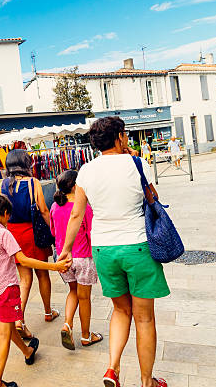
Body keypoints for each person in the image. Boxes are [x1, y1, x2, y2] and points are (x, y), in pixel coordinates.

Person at [57, 116, 169, 387]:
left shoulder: (86, 170)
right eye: (125, 135)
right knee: (144, 318)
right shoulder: (137, 163)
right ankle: (146, 382)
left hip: (103, 249)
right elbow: (152, 199)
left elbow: (76, 215)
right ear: (119, 137)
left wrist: (66, 249)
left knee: (120, 311)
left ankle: (112, 369)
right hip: (137, 246)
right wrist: (134, 160)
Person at [0, 193, 71, 387]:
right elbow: (23, 259)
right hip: (6, 289)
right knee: (4, 333)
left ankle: (28, 352)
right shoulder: (3, 233)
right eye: (8, 216)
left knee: (9, 325)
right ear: (5, 213)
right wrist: (54, 267)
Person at [0, 149, 59, 340]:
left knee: (24, 280)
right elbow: (43, 210)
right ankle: (48, 312)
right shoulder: (33, 183)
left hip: (13, 234)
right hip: (33, 233)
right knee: (42, 274)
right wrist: (54, 232)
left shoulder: (3, 184)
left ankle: (19, 319)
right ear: (25, 164)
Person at [50, 170, 103, 351]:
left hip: (63, 258)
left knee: (73, 292)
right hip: (83, 257)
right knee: (84, 297)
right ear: (75, 186)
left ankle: (67, 324)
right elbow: (90, 234)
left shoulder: (55, 207)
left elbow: (53, 232)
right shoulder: (84, 208)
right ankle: (86, 336)